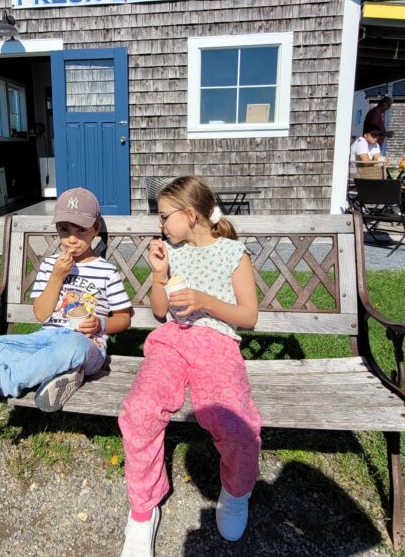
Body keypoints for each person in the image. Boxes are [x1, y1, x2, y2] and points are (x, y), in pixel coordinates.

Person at [119, 176, 261, 556]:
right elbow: (161, 311)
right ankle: (142, 509)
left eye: (164, 216)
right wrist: (159, 274)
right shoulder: (172, 252)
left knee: (236, 421)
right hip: (171, 343)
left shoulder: (233, 253)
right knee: (139, 410)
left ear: (191, 214)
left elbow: (248, 317)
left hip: (216, 344)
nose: (160, 225)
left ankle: (235, 491)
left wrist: (205, 301)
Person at [0, 188, 133, 418]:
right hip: (43, 339)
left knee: (70, 348)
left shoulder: (107, 271)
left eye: (81, 230)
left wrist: (100, 325)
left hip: (87, 345)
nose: (71, 239)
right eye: (64, 230)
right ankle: (61, 374)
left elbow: (124, 318)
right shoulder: (50, 266)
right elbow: (42, 315)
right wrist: (56, 277)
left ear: (95, 230)